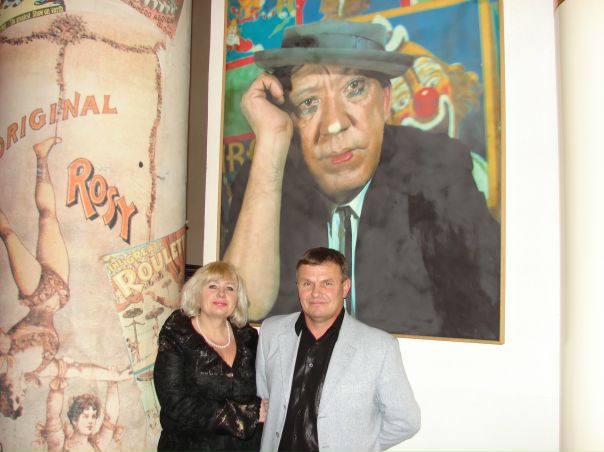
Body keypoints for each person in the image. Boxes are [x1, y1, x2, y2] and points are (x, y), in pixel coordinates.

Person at [222, 20, 501, 340]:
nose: (335, 124)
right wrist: (272, 141)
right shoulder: (264, 177)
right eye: (309, 103)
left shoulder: (436, 168)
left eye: (354, 88)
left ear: (385, 101)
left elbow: (484, 311)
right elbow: (242, 310)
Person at [0, 136, 130, 419]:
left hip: (35, 291)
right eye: (22, 398)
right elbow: (79, 370)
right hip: (57, 292)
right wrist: (115, 376)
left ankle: (41, 156)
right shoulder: (39, 368)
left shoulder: (6, 355)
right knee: (48, 217)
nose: (22, 392)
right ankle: (41, 155)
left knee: (9, 232)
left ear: (5, 390)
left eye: (16, 396)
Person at [256, 247, 420, 452]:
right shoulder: (271, 332)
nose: (316, 292)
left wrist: (360, 445)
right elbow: (264, 398)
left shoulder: (380, 347)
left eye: (327, 283)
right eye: (307, 283)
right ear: (298, 287)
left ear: (345, 287)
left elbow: (406, 421)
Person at [153, 261, 266, 452]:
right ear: (197, 294)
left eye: (230, 288)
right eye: (213, 286)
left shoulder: (249, 338)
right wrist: (247, 415)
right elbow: (176, 405)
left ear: (237, 299)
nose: (221, 294)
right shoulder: (177, 334)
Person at [40, 363, 122, 452]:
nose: (90, 421)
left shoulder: (96, 445)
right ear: (74, 420)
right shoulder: (61, 445)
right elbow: (53, 416)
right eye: (86, 416)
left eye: (93, 416)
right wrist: (59, 380)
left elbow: (111, 418)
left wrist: (112, 385)